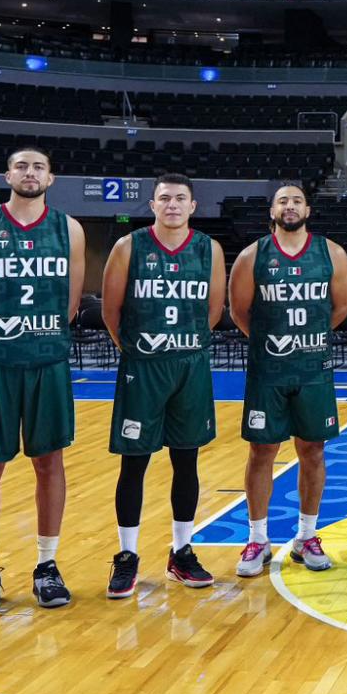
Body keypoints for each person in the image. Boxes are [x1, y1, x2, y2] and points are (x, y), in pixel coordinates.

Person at [0, 146, 84, 617]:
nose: (30, 173)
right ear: (8, 174)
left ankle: (47, 565)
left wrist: (40, 339)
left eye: (39, 166)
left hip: (47, 363)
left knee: (50, 463)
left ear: (52, 177)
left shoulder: (70, 229)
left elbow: (69, 303)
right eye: (22, 166)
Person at [101, 174, 226, 598]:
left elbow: (212, 310)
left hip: (189, 367)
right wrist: (141, 351)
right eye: (164, 198)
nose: (172, 204)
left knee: (186, 462)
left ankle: (182, 551)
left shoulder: (209, 249)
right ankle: (127, 556)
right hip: (144, 368)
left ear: (193, 206)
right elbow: (112, 312)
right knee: (134, 464)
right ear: (152, 204)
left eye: (180, 199)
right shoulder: (129, 247)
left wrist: (179, 347)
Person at [228, 180, 347, 577]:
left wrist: (304, 343)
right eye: (283, 201)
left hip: (313, 369)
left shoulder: (331, 253)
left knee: (313, 451)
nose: (290, 206)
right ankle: (257, 539)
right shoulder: (252, 256)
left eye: (297, 200)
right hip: (269, 371)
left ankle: (306, 537)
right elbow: (240, 312)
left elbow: (340, 308)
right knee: (261, 451)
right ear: (273, 211)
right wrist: (274, 344)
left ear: (308, 210)